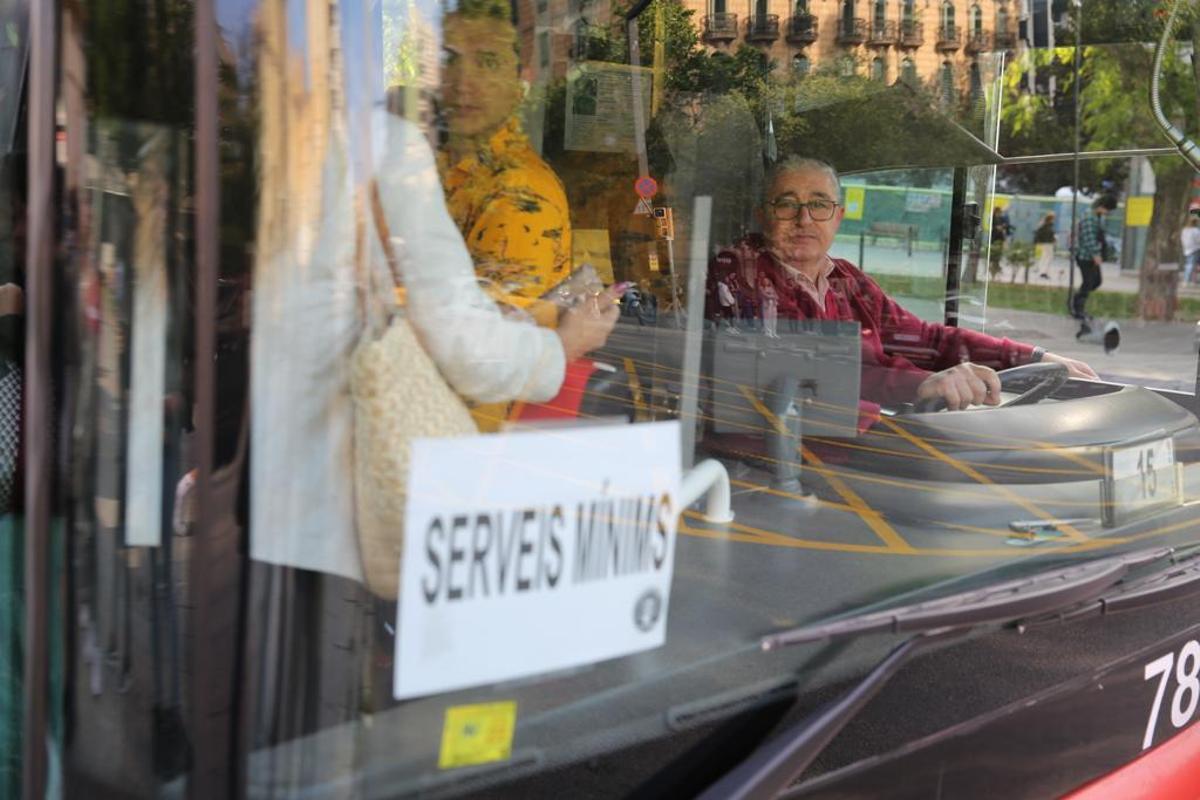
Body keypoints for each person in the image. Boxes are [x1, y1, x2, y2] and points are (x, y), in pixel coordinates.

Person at [708, 156, 1097, 413]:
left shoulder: (847, 280)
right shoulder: (740, 270)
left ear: (838, 216)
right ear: (762, 215)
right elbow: (808, 369)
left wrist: (1034, 358)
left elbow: (928, 340)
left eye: (820, 204)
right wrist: (923, 383)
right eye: (787, 204)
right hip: (785, 457)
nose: (804, 219)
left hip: (851, 444)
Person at [1072, 194, 1118, 324]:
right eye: (1107, 210)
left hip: (1091, 256)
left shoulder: (1096, 217)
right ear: (1101, 206)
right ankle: (1078, 309)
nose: (1107, 213)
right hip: (1086, 256)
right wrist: (1096, 254)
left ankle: (1077, 301)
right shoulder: (1089, 218)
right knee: (1088, 282)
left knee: (1096, 281)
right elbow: (1089, 238)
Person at [989, 204, 1012, 278]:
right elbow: (996, 227)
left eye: (1000, 212)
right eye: (998, 212)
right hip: (994, 238)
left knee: (999, 252)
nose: (999, 214)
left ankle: (997, 266)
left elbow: (1005, 226)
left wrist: (1003, 227)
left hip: (1000, 238)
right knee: (994, 252)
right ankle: (992, 266)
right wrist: (999, 227)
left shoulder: (1001, 218)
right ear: (996, 212)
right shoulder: (993, 218)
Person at [1034, 211, 1056, 280]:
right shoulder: (1048, 225)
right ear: (1051, 218)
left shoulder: (1042, 224)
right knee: (1047, 258)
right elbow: (1049, 234)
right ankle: (1043, 272)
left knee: (1042, 258)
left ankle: (1042, 271)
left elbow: (1037, 234)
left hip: (1041, 243)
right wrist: (1054, 239)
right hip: (1047, 244)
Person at [1181, 211, 1200, 285]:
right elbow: (1198, 240)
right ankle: (1186, 280)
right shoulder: (1196, 231)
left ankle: (1193, 280)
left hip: (1187, 249)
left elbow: (1182, 239)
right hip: (1195, 249)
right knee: (1191, 265)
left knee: (1191, 264)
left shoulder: (1185, 230)